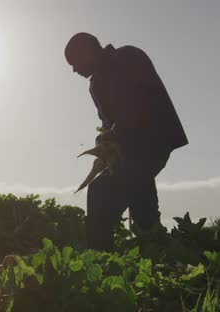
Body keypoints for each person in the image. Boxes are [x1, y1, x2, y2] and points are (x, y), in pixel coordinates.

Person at [65, 33, 188, 250]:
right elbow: (107, 122)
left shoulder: (128, 57)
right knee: (142, 206)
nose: (74, 70)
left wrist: (114, 133)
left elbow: (141, 104)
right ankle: (159, 257)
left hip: (153, 143)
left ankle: (99, 262)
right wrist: (103, 139)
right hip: (130, 152)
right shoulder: (96, 84)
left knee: (100, 192)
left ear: (88, 51)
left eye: (75, 62)